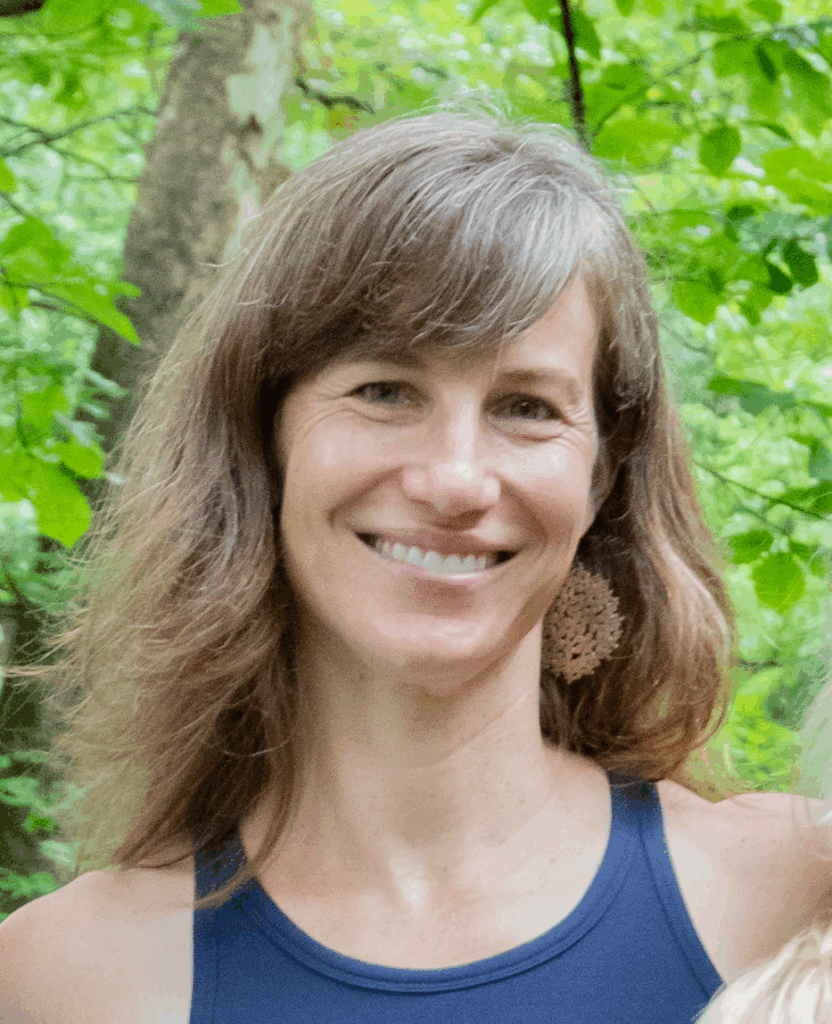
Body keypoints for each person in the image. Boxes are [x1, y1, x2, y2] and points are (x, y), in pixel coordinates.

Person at [0, 110, 826, 1024]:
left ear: (601, 476)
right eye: (384, 390)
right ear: (262, 439)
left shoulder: (792, 908)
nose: (456, 480)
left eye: (525, 406)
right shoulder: (62, 979)